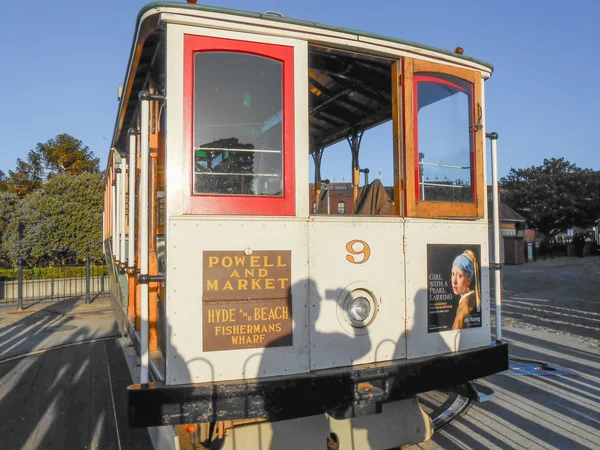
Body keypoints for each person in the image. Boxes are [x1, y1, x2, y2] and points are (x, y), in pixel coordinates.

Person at [451, 250, 481, 330]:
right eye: (453, 274)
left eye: (460, 276)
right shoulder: (472, 299)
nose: (454, 281)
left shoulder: (465, 309)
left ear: (469, 280)